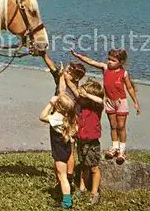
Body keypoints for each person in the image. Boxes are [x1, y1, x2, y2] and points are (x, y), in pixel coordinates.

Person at [70, 48, 141, 164]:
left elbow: (129, 88)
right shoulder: (105, 68)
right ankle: (114, 147)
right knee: (113, 126)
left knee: (121, 126)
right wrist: (78, 55)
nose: (109, 62)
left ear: (121, 62)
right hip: (109, 102)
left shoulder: (124, 73)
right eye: (109, 59)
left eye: (113, 60)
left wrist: (136, 102)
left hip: (120, 102)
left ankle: (122, 151)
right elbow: (91, 62)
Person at [42, 52, 86, 190]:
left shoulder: (74, 87)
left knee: (69, 151)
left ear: (75, 77)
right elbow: (52, 67)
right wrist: (44, 55)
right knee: (60, 153)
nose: (65, 72)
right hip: (59, 121)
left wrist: (62, 77)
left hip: (68, 122)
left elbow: (62, 92)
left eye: (68, 71)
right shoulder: (62, 78)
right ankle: (62, 179)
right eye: (66, 70)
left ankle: (69, 177)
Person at [64, 77, 104, 205]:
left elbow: (100, 100)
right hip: (81, 140)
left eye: (83, 95)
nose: (80, 96)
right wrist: (64, 76)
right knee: (83, 166)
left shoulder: (97, 108)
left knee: (94, 168)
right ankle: (82, 188)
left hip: (92, 142)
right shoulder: (81, 106)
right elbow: (74, 89)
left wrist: (87, 94)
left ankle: (94, 193)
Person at [39, 90, 78, 209]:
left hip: (59, 152)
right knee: (60, 173)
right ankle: (61, 193)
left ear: (58, 106)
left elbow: (42, 117)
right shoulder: (70, 118)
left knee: (62, 176)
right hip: (65, 150)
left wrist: (50, 103)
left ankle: (67, 202)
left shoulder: (57, 118)